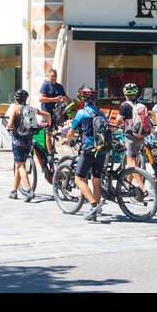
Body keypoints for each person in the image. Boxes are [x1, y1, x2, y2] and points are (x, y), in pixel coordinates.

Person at [66, 86, 110, 221]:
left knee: (78, 178)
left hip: (89, 150)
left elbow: (71, 131)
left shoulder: (81, 113)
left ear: (83, 99)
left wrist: (67, 140)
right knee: (96, 180)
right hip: (102, 149)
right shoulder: (101, 113)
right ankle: (94, 211)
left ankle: (94, 205)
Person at [6, 89, 49, 201]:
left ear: (16, 99)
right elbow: (43, 113)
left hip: (17, 140)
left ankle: (29, 190)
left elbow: (10, 124)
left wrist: (8, 127)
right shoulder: (30, 108)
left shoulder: (15, 109)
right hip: (28, 139)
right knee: (18, 164)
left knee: (21, 166)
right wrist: (49, 121)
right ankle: (14, 191)